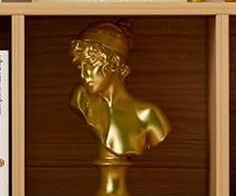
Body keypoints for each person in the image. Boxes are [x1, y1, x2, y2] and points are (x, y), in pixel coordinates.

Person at [69, 21, 171, 158]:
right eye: (80, 67)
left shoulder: (148, 115)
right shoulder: (80, 98)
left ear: (115, 64)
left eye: (90, 65)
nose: (83, 74)